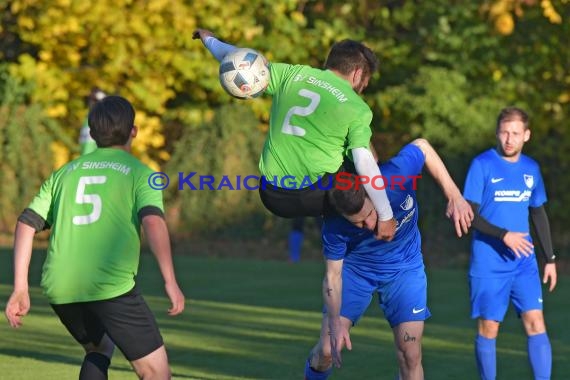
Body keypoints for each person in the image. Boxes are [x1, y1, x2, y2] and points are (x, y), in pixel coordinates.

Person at [5, 96, 186, 380]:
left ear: (92, 133)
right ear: (134, 131)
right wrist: (171, 281)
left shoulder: (63, 174)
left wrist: (20, 287)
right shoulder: (142, 174)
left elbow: (26, 223)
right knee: (156, 374)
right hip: (110, 285)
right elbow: (153, 221)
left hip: (61, 286)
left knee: (99, 349)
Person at [193, 28, 396, 241]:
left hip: (272, 195)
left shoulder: (292, 74)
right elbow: (364, 161)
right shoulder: (357, 107)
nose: (363, 88)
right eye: (366, 81)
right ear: (357, 73)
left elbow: (239, 60)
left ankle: (335, 263)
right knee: (367, 164)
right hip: (318, 194)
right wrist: (386, 215)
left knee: (354, 156)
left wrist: (209, 40)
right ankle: (377, 235)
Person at [304, 138, 473, 380]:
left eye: (369, 215)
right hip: (357, 272)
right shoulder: (335, 224)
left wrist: (454, 195)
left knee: (410, 354)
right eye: (359, 224)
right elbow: (333, 275)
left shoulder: (395, 177)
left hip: (404, 269)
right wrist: (334, 321)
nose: (369, 225)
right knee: (328, 351)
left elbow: (423, 147)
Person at [462, 106, 557, 380]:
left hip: (524, 263)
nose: (509, 139)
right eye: (504, 132)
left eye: (515, 133)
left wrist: (549, 259)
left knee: (536, 322)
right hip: (489, 262)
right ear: (497, 133)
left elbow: (538, 214)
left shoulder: (531, 168)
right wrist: (504, 234)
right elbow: (469, 215)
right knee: (489, 328)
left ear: (526, 135)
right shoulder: (482, 164)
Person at [79, 87, 107, 155]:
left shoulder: (101, 123)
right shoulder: (87, 121)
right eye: (91, 100)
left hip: (92, 161)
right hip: (87, 161)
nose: (91, 103)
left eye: (95, 101)